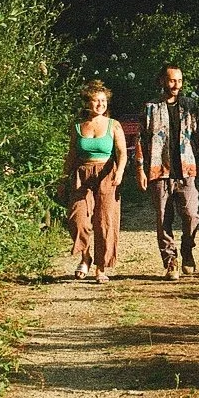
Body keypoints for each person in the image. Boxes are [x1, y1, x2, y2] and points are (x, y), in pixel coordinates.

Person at [137, 65, 199, 280]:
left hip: (186, 169)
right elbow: (140, 139)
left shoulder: (190, 106)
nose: (176, 85)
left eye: (179, 81)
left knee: (191, 214)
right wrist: (140, 168)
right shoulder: (151, 108)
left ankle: (187, 249)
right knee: (164, 219)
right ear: (162, 81)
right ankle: (170, 261)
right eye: (172, 80)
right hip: (159, 170)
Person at [62, 79, 127, 283]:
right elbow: (72, 154)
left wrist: (120, 172)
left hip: (106, 173)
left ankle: (100, 268)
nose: (100, 104)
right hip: (82, 174)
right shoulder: (78, 127)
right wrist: (63, 179)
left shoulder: (113, 125)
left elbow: (122, 152)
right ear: (87, 103)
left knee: (105, 221)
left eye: (103, 100)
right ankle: (85, 256)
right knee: (77, 219)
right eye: (96, 101)